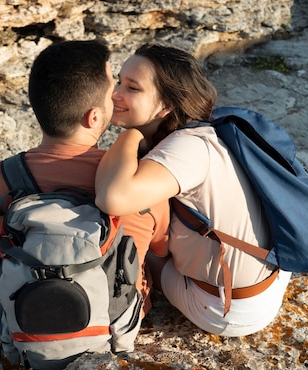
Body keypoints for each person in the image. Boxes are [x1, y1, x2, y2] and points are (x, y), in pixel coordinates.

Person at [95, 43, 292, 337]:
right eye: (119, 81)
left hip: (223, 308)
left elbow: (113, 198)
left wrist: (131, 133)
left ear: (166, 105)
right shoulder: (208, 132)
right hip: (270, 279)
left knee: (122, 237)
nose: (115, 94)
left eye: (132, 88)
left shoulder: (188, 148)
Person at [0, 40, 169, 318]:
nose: (116, 95)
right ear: (94, 117)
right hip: (119, 322)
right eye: (112, 88)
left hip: (30, 319)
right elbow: (161, 248)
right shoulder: (139, 181)